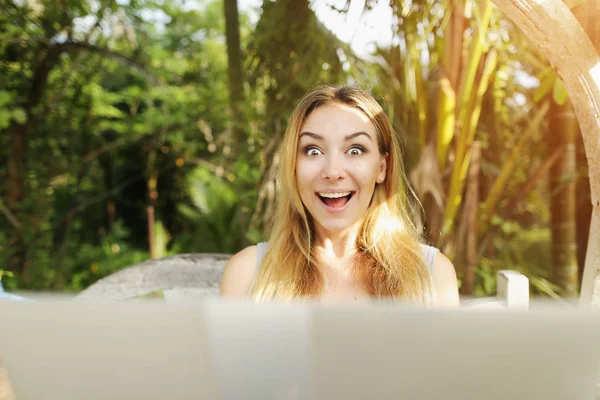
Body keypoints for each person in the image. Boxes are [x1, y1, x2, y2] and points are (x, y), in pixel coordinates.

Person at [220, 85, 459, 307]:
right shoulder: (247, 273)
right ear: (293, 166)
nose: (333, 172)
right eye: (313, 151)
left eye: (355, 150)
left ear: (382, 168)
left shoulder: (433, 275)